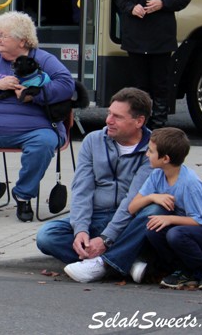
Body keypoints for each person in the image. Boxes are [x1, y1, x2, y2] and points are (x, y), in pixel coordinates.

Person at [0, 11, 74, 222]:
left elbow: (67, 85)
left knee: (44, 143)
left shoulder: (44, 59)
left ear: (23, 41)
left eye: (4, 35)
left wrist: (33, 96)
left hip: (35, 128)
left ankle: (23, 195)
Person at [36, 88, 159, 284]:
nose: (108, 120)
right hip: (96, 215)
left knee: (153, 211)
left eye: (117, 117)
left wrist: (106, 239)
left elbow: (133, 199)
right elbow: (82, 190)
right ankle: (123, 262)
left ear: (139, 121)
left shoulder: (154, 148)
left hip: (130, 220)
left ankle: (105, 264)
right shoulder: (93, 141)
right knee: (46, 236)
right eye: (109, 113)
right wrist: (81, 230)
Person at [128, 127, 202, 290]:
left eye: (151, 151)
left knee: (174, 233)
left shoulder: (189, 183)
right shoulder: (157, 175)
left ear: (165, 158)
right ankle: (183, 270)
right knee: (152, 229)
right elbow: (132, 207)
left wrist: (169, 219)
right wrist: (152, 197)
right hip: (187, 229)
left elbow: (200, 221)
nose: (146, 154)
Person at [114, 0, 191, 129]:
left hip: (161, 35)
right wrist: (132, 8)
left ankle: (159, 124)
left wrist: (163, 3)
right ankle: (142, 123)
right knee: (140, 84)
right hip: (136, 35)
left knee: (160, 83)